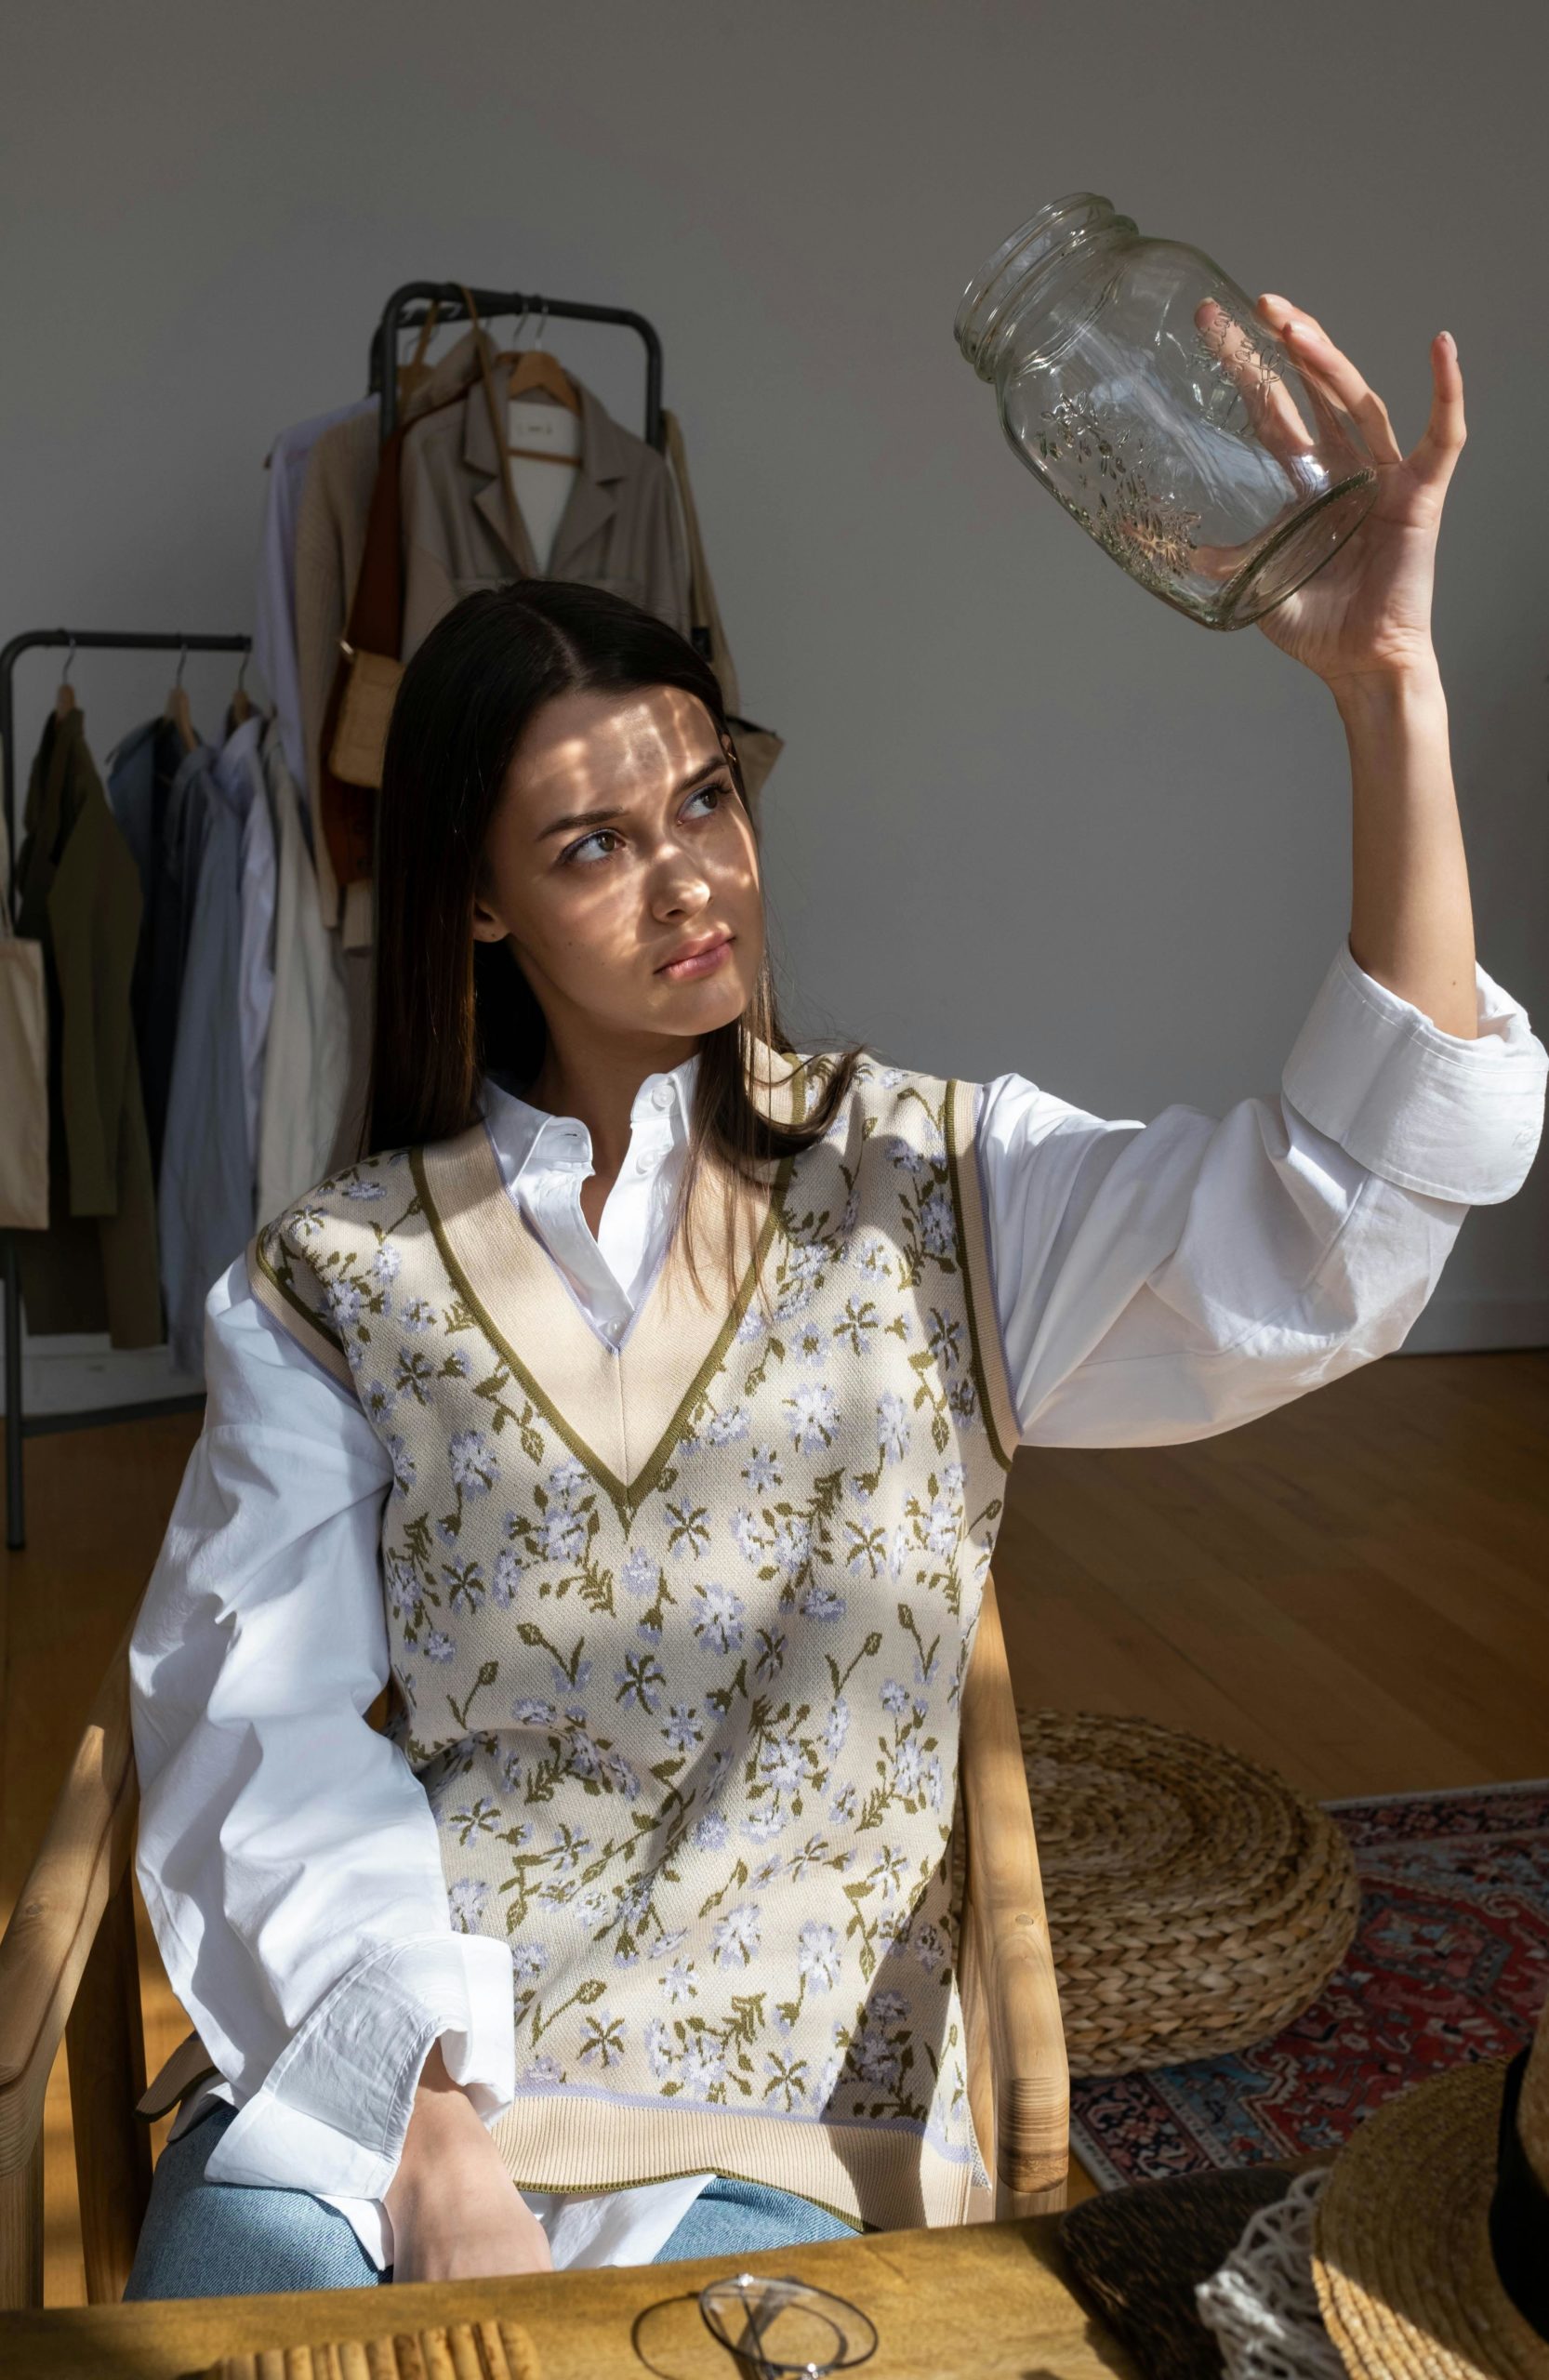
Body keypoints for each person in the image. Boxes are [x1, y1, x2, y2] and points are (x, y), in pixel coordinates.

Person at [126, 295, 1546, 2298]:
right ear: (471, 900)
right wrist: (431, 2135)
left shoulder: (935, 1187)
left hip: (779, 2131)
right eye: (595, 843)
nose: (692, 878)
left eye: (707, 798)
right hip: (389, 2103)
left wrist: (1382, 690)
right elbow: (253, 1723)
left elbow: (1329, 1210)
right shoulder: (333, 1284)